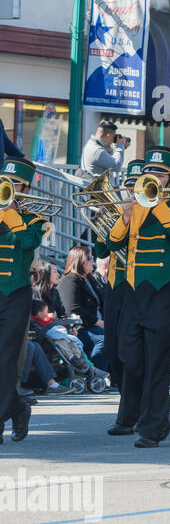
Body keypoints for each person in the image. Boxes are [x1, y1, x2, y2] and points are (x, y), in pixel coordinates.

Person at [103, 145, 170, 448]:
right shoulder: (134, 206)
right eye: (149, 173)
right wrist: (125, 215)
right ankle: (155, 407)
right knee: (130, 358)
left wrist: (158, 205)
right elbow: (110, 243)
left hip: (164, 290)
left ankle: (151, 427)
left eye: (160, 174)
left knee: (157, 361)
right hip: (133, 291)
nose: (153, 177)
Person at [0, 158, 52, 441]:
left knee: (7, 361)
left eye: (12, 184)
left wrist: (9, 213)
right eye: (3, 182)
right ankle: (17, 409)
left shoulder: (34, 219)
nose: (5, 187)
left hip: (13, 294)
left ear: (24, 188)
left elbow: (28, 243)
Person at [93, 159, 144, 397]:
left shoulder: (151, 214)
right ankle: (126, 396)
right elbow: (102, 251)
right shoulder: (117, 213)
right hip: (116, 285)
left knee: (132, 348)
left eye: (137, 186)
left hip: (140, 285)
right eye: (129, 186)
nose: (132, 191)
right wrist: (103, 224)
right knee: (112, 347)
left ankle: (136, 400)